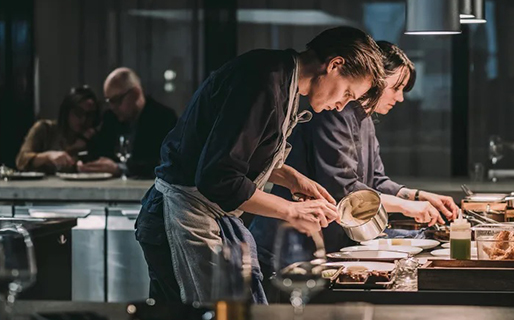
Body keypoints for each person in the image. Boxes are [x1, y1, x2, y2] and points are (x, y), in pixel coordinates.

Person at [135, 26, 386, 305]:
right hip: (179, 217)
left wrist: (292, 179)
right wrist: (291, 210)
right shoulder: (262, 80)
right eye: (348, 94)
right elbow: (217, 177)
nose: (341, 106)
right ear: (335, 65)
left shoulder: (282, 80)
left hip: (198, 215)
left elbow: (236, 156)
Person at [250, 41, 460, 268]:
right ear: (376, 79)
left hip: (328, 244)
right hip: (291, 246)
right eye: (396, 88)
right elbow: (343, 189)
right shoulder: (334, 110)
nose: (400, 98)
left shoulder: (365, 118)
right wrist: (406, 206)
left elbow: (376, 180)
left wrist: (416, 195)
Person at [79, 68, 177, 178]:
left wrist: (120, 169)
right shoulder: (110, 118)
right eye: (109, 101)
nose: (112, 107)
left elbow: (165, 164)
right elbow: (99, 152)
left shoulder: (163, 118)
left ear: (136, 93)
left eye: (116, 100)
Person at [16, 85, 100, 173]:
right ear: (67, 111)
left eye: (89, 115)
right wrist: (48, 156)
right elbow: (21, 161)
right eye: (78, 112)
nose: (83, 119)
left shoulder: (93, 137)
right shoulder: (45, 129)